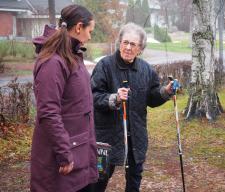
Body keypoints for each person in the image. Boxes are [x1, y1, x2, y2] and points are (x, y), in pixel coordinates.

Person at [90, 22, 174, 192]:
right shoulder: (105, 66)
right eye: (125, 42)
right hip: (108, 136)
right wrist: (114, 98)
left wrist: (165, 91)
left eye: (133, 44)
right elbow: (92, 96)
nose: (128, 47)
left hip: (136, 136)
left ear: (140, 48)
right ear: (119, 43)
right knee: (98, 181)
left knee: (134, 182)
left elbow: (152, 97)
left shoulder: (146, 70)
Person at [30, 4, 98, 192]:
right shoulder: (53, 61)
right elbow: (48, 112)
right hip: (61, 161)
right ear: (78, 27)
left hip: (78, 154)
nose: (90, 36)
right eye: (89, 30)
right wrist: (65, 153)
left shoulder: (72, 56)